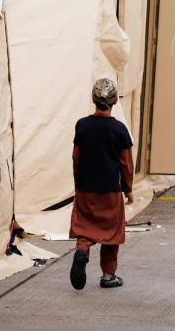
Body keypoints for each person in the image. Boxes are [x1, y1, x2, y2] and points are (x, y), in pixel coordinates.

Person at [69, 78, 134, 290]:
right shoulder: (119, 129)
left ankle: (82, 250)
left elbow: (76, 157)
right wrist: (128, 189)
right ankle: (108, 275)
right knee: (111, 232)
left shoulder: (82, 125)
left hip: (85, 189)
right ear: (115, 101)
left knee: (85, 228)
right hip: (110, 191)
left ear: (92, 100)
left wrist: (78, 184)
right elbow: (126, 164)